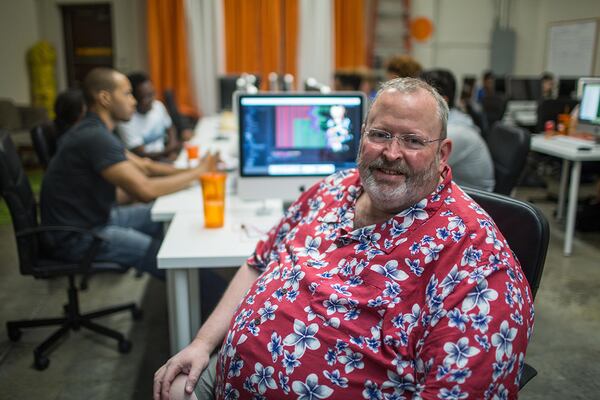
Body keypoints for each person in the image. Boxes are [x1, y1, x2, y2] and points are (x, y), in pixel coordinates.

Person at [154, 78, 533, 399]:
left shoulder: (478, 263)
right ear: (361, 136)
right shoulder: (333, 188)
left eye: (413, 141)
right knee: (173, 387)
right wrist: (203, 343)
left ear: (442, 153)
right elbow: (259, 263)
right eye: (379, 134)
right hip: (227, 376)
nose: (391, 152)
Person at [41, 67, 218, 280]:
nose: (133, 101)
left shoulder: (96, 130)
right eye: (127, 94)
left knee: (162, 215)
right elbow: (144, 189)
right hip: (77, 237)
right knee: (166, 255)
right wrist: (198, 173)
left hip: (97, 218)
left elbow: (146, 166)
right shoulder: (95, 137)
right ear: (105, 98)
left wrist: (192, 171)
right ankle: (227, 307)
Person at [421, 69, 495, 191]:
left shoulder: (454, 132)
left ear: (442, 101)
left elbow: (419, 172)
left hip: (478, 200)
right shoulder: (450, 119)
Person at [116, 72, 181, 161]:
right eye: (145, 97)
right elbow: (141, 154)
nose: (152, 100)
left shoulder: (158, 106)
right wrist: (171, 149)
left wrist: (172, 152)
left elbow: (170, 128)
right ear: (133, 98)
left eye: (152, 94)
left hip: (165, 155)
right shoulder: (126, 119)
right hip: (148, 162)